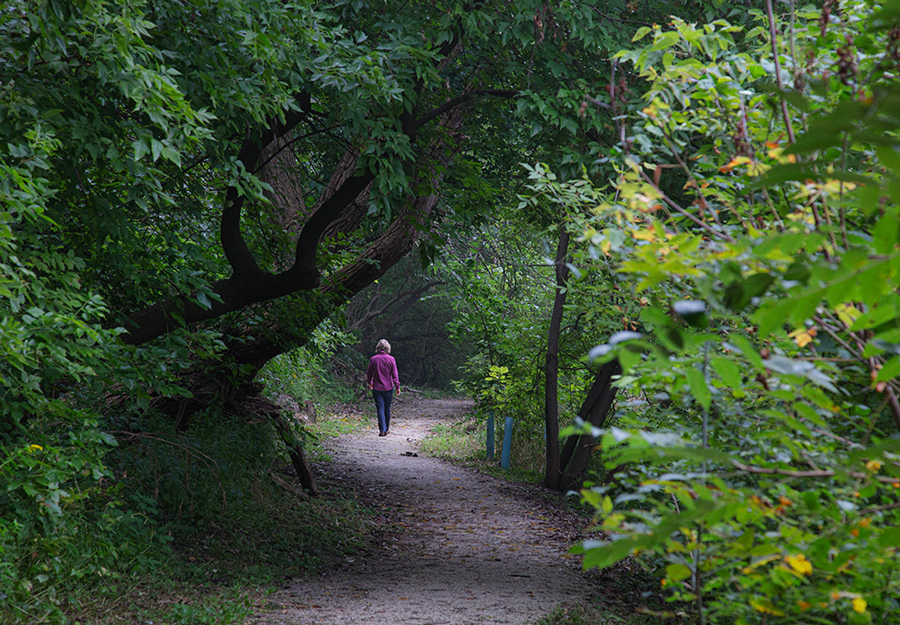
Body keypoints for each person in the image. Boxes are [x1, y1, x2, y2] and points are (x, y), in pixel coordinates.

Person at [365, 339, 400, 436]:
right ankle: (387, 428)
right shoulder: (391, 359)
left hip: (377, 387)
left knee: (380, 408)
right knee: (387, 408)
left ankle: (382, 429)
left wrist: (369, 382)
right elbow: (395, 374)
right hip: (388, 387)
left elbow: (369, 373)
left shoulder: (373, 359)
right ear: (388, 348)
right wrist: (397, 386)